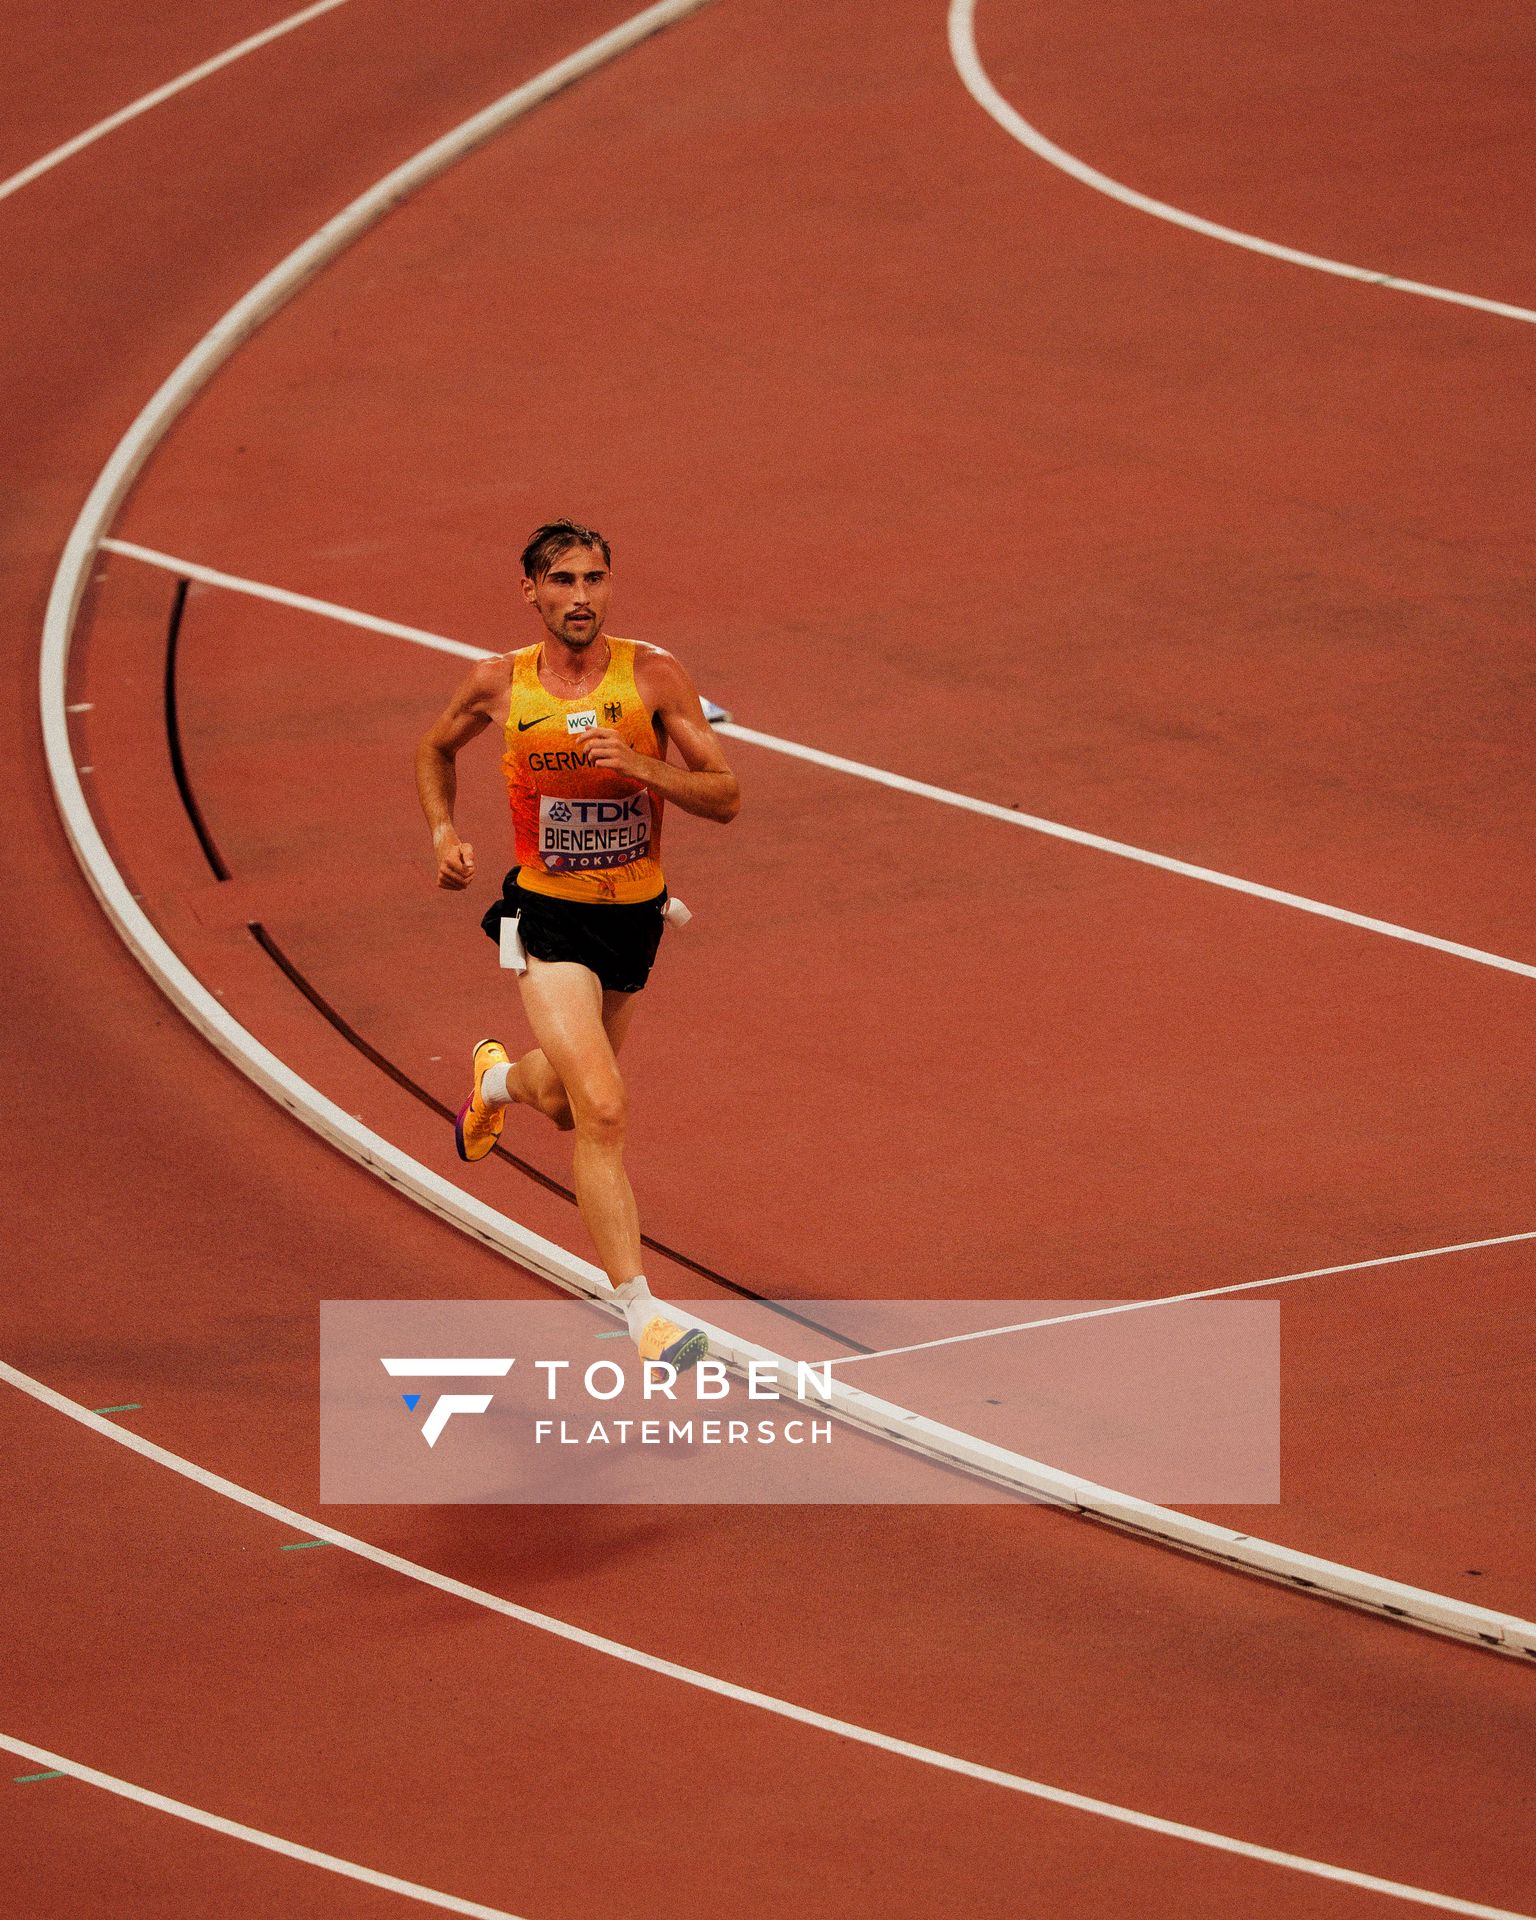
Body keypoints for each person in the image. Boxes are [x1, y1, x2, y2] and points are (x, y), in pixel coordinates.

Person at [415, 520, 740, 1373]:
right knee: (602, 1109)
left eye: (595, 579)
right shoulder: (498, 683)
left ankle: (493, 1079)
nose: (582, 597)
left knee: (559, 1101)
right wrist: (444, 829)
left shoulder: (654, 677)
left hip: (633, 919)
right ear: (532, 592)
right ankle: (643, 1312)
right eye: (562, 581)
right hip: (548, 920)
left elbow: (725, 794)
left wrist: (642, 767)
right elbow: (434, 746)